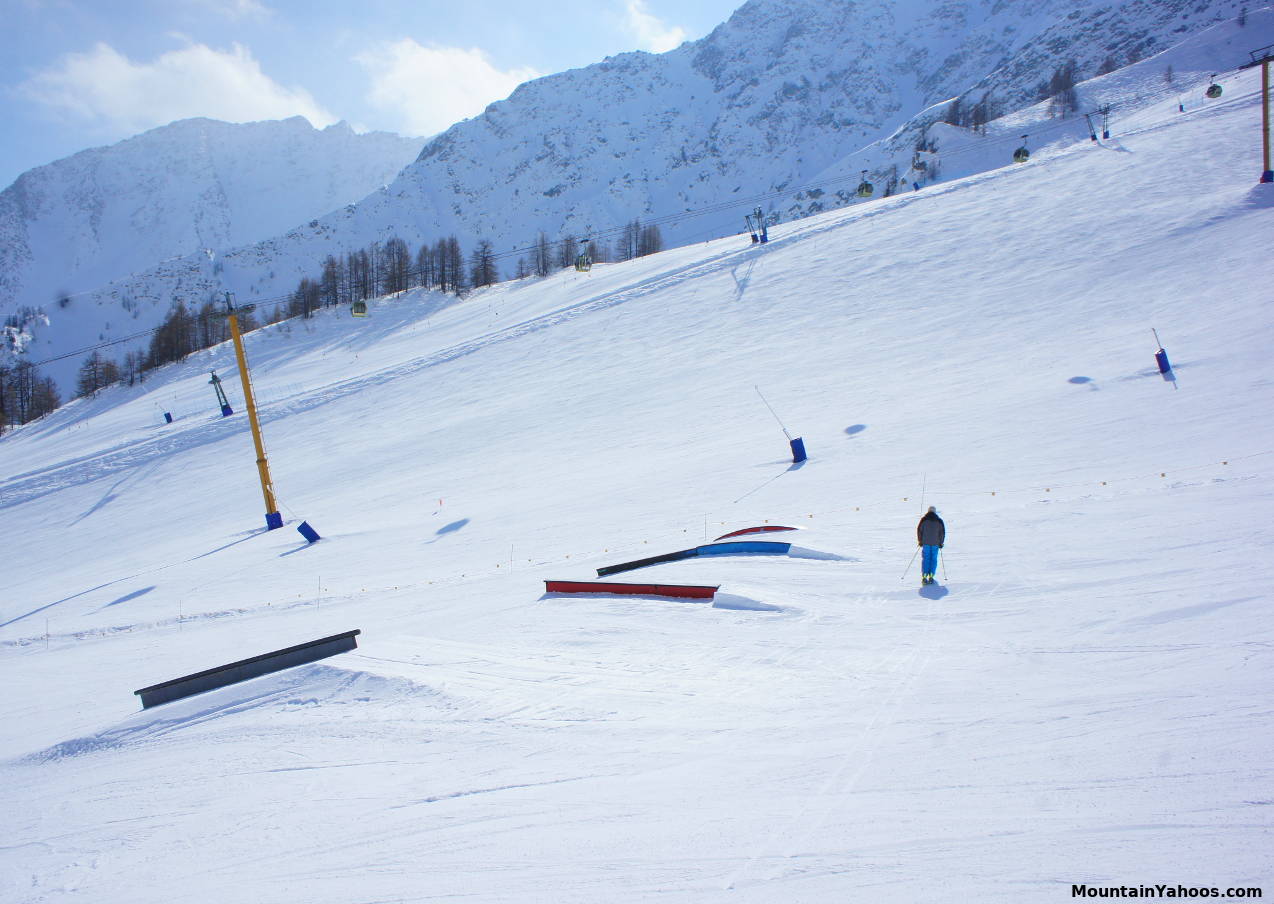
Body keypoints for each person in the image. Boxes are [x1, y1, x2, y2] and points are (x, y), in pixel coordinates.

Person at [916, 506, 945, 585]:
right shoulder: (939, 521)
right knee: (933, 559)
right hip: (935, 543)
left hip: (926, 543)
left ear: (928, 511)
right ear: (935, 512)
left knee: (926, 559)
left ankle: (925, 575)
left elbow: (919, 530)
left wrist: (920, 540)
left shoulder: (924, 520)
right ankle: (931, 575)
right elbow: (942, 532)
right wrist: (941, 542)